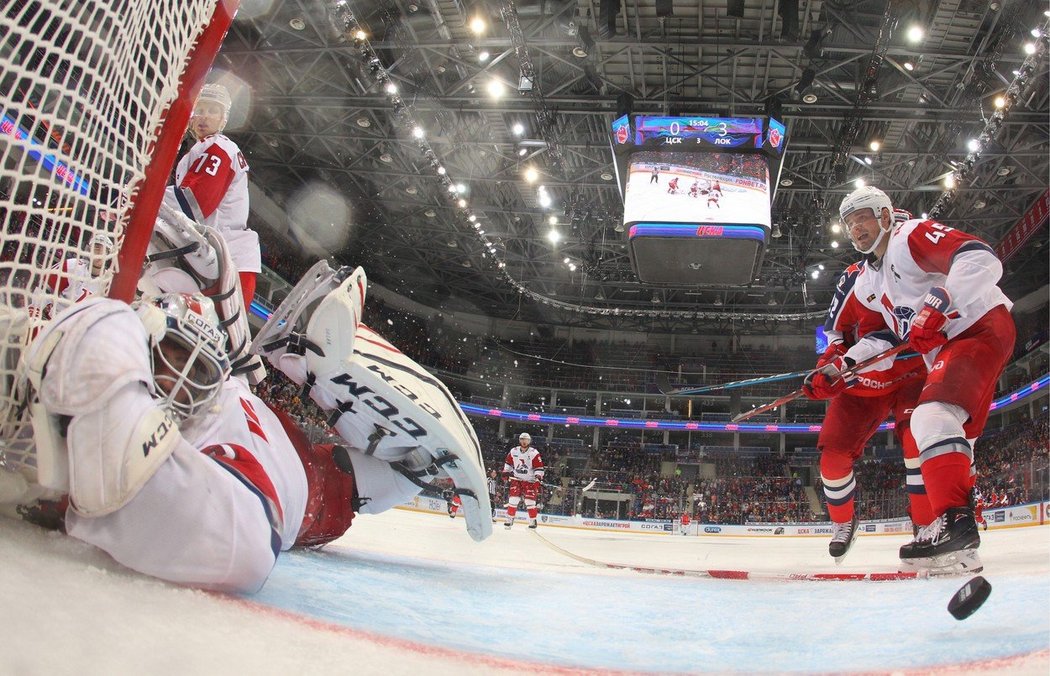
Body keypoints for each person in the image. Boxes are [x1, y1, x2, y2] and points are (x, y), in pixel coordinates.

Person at [17, 262, 491, 593]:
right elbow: (239, 549)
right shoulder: (213, 441)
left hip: (301, 451)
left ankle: (412, 467)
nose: (180, 381)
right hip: (318, 492)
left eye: (198, 368)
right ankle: (415, 470)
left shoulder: (209, 403)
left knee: (379, 467)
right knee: (390, 474)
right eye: (170, 358)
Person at [823, 186, 1014, 574]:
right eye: (849, 222)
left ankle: (954, 524)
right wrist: (841, 367)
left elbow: (979, 257)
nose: (855, 227)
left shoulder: (909, 236)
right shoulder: (868, 283)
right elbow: (883, 338)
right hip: (952, 347)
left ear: (885, 214)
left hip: (977, 328)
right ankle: (960, 553)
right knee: (955, 447)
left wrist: (942, 301)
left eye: (863, 216)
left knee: (930, 419)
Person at [804, 257, 931, 563]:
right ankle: (844, 522)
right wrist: (828, 371)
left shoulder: (924, 264)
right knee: (832, 458)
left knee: (919, 443)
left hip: (914, 373)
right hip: (867, 377)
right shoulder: (854, 278)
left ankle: (927, 524)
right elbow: (835, 334)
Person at [164, 83, 259, 308]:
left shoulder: (220, 148)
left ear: (223, 119)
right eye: (200, 109)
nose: (204, 116)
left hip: (229, 265)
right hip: (213, 259)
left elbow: (193, 204)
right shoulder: (199, 151)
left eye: (212, 110)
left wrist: (144, 198)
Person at [502, 432, 544, 529]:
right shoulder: (514, 451)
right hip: (517, 479)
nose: (524, 442)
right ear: (519, 440)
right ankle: (509, 518)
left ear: (529, 441)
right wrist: (506, 472)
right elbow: (508, 463)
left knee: (529, 501)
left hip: (529, 481)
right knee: (513, 499)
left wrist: (538, 477)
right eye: (522, 439)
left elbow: (539, 467)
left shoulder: (534, 453)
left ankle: (533, 520)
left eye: (526, 440)